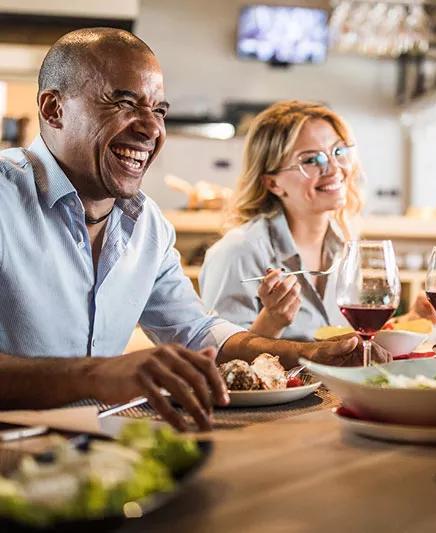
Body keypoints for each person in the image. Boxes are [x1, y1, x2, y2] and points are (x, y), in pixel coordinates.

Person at [0, 28, 371, 432]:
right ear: (54, 109)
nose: (150, 128)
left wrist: (312, 354)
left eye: (158, 110)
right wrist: (99, 375)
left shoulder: (148, 225)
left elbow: (199, 333)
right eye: (124, 103)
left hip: (89, 452)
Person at [199, 101, 371, 344]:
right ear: (273, 183)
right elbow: (220, 362)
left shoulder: (345, 247)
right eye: (311, 160)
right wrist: (271, 322)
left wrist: (413, 319)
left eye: (339, 151)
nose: (334, 168)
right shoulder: (238, 253)